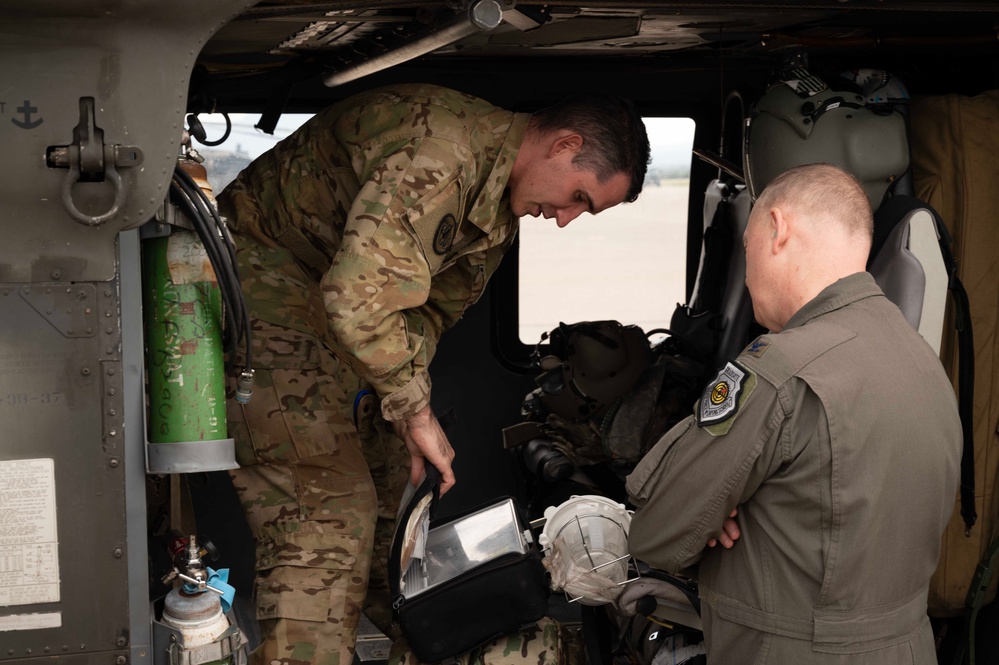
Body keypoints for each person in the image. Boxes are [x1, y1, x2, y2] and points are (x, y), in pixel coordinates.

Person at [218, 83, 650, 665]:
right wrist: (414, 410)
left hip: (328, 321)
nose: (567, 219)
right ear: (563, 144)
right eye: (577, 196)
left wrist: (404, 413)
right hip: (258, 293)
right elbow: (356, 297)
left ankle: (425, 644)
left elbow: (426, 315)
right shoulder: (440, 156)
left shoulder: (497, 206)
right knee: (326, 515)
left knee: (399, 509)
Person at [625, 163, 961, 664]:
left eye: (746, 249)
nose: (746, 270)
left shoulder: (782, 369)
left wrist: (709, 513)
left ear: (778, 230)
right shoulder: (923, 362)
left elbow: (657, 533)